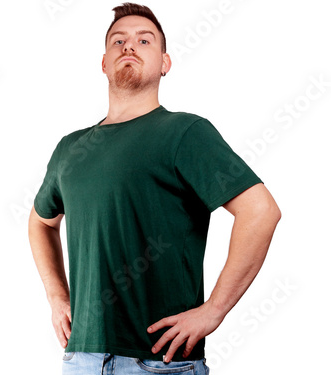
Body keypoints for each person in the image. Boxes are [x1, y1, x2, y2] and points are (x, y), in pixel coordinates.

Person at [28, 3, 281, 374]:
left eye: (144, 40)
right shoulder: (71, 148)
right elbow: (40, 222)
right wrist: (56, 296)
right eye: (119, 40)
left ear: (165, 63)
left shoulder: (185, 133)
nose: (129, 46)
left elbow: (261, 211)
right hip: (81, 359)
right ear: (103, 63)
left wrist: (213, 311)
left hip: (159, 363)